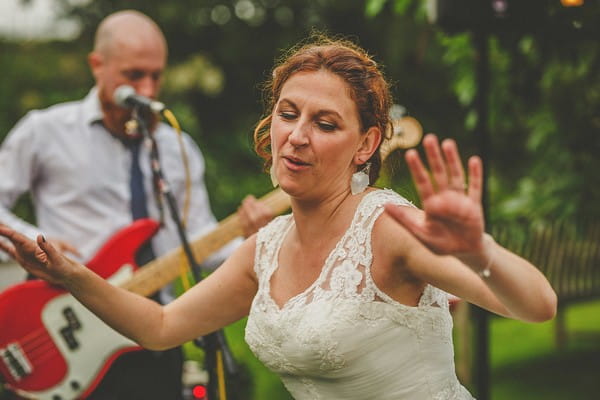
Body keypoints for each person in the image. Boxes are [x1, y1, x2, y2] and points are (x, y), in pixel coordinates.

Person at [0, 34, 557, 400]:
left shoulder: (389, 228)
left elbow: (534, 305)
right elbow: (161, 326)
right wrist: (70, 276)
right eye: (288, 114)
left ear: (366, 144)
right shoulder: (264, 247)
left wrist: (478, 250)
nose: (297, 135)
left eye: (325, 123)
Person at [0, 10, 272, 400]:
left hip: (153, 336)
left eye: (156, 76)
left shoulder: (176, 148)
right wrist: (38, 245)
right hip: (67, 326)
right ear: (98, 65)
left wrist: (254, 241)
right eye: (133, 75)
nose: (146, 89)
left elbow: (198, 241)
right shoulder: (45, 131)